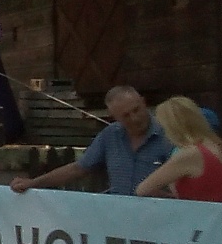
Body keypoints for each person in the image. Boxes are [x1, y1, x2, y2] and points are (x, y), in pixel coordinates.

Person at [10, 85, 173, 199]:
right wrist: (33, 183)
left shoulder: (170, 134)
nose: (135, 118)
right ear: (115, 117)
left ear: (143, 102)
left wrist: (169, 197)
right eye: (126, 116)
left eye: (136, 110)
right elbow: (78, 168)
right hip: (117, 216)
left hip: (160, 217)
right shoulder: (110, 135)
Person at [136, 97, 222, 203]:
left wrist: (169, 196)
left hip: (198, 211)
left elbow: (142, 190)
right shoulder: (217, 147)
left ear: (171, 128)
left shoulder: (190, 154)